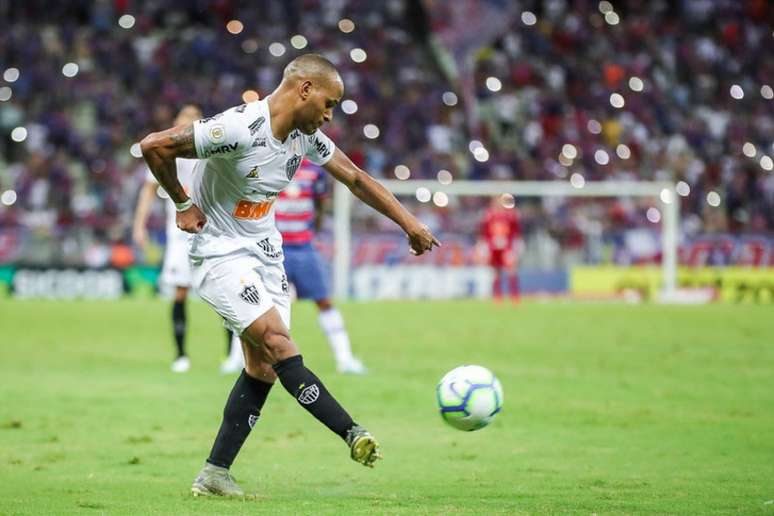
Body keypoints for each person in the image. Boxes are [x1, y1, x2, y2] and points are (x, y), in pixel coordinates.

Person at [139, 53, 440, 497]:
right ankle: (352, 432)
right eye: (329, 103)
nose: (330, 114)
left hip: (265, 252)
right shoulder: (239, 128)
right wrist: (183, 203)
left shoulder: (305, 138)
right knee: (280, 344)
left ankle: (215, 474)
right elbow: (154, 146)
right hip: (220, 252)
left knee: (261, 365)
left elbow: (355, 179)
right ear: (305, 90)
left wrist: (409, 223)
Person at [133, 105, 244, 374]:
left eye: (194, 119)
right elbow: (148, 191)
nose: (189, 123)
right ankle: (181, 355)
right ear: (175, 121)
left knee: (225, 293)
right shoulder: (167, 152)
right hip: (180, 236)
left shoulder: (212, 152)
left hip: (215, 232)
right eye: (184, 118)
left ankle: (232, 355)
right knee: (180, 292)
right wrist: (139, 225)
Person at [275, 159, 366, 374]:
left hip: (304, 247)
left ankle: (345, 360)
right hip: (274, 249)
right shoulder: (271, 162)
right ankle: (237, 361)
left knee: (324, 301)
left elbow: (320, 206)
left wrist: (311, 233)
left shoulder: (314, 171)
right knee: (260, 306)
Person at [479, 196, 522, 301]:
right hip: (494, 247)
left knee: (511, 270)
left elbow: (516, 232)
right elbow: (485, 233)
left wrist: (515, 246)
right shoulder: (489, 215)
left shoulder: (510, 215)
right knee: (496, 272)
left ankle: (514, 296)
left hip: (507, 247)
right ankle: (497, 297)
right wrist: (485, 247)